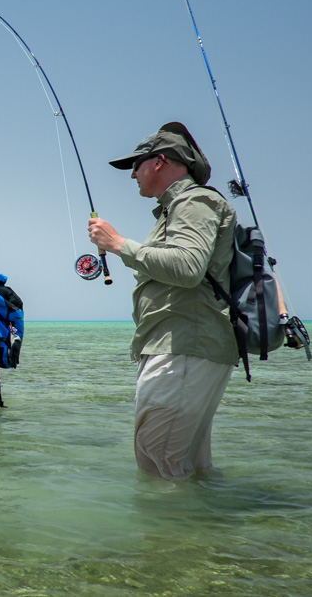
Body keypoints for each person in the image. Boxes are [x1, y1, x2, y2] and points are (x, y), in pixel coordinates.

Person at [88, 122, 239, 479]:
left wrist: (118, 244)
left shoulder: (195, 201)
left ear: (159, 162)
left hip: (183, 347)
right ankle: (198, 533)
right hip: (184, 346)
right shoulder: (177, 209)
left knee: (158, 463)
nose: (133, 176)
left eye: (136, 165)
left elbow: (187, 267)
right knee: (189, 467)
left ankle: (168, 536)